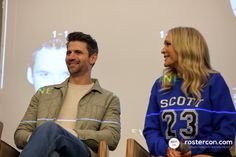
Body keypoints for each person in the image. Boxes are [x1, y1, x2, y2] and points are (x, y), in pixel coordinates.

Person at [14, 32, 121, 157]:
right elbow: (20, 134)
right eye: (68, 52)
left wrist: (71, 134)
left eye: (78, 52)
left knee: (51, 129)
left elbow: (112, 137)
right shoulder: (43, 93)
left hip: (80, 152)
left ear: (93, 58)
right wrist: (43, 137)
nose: (71, 56)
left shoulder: (108, 98)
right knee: (53, 154)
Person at [143, 27, 236, 157]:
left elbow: (226, 133)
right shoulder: (160, 84)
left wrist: (194, 149)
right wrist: (167, 150)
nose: (162, 50)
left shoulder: (214, 81)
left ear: (185, 48)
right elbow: (151, 130)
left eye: (168, 44)